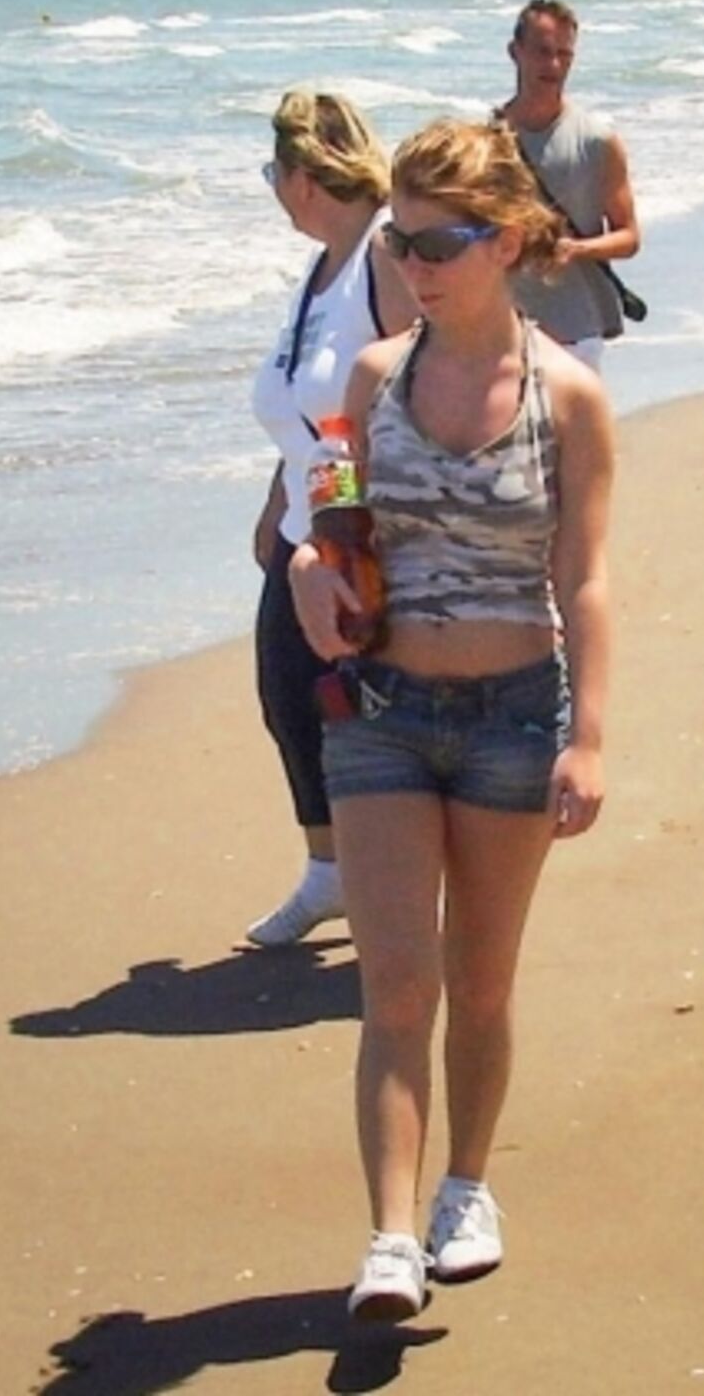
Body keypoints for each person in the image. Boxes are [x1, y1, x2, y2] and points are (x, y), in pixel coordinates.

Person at [288, 117, 614, 1322]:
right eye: (401, 241)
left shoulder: (567, 396)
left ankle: (464, 1190)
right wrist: (305, 577)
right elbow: (325, 527)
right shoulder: (373, 379)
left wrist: (587, 735)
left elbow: (583, 577)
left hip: (512, 719)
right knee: (394, 987)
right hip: (379, 712)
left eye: (441, 242)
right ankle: (387, 1233)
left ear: (509, 240)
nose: (415, 264)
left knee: (478, 982)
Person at [244, 90, 419, 950]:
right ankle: (330, 874)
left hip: (367, 536)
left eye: (272, 172)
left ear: (305, 177)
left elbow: (426, 383)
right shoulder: (320, 269)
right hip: (302, 526)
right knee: (288, 696)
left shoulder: (382, 255)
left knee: (374, 718)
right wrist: (277, 504)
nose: (274, 189)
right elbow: (305, 410)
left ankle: (401, 889)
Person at [497, 0, 642, 372]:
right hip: (503, 327)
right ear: (515, 52)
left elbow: (628, 237)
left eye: (564, 54)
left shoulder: (596, 141)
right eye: (543, 52)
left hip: (577, 328)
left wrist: (575, 249)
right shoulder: (487, 139)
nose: (554, 65)